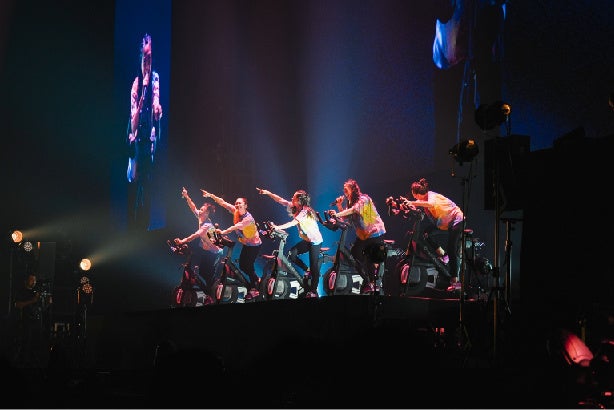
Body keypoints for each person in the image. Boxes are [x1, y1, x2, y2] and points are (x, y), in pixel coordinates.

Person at [257, 188, 324, 298]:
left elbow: (293, 223)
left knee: (314, 266)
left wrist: (277, 227)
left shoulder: (305, 211)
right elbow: (280, 200)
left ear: (299, 201)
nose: (292, 198)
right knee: (292, 254)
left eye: (294, 197)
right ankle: (307, 270)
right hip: (307, 240)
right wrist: (268, 193)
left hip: (315, 241)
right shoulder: (294, 207)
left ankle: (313, 291)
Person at [126, 33, 163, 230]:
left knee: (147, 181)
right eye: (145, 58)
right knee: (134, 178)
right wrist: (140, 105)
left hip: (149, 136)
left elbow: (156, 101)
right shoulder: (136, 82)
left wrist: (157, 111)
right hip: (136, 135)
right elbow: (133, 118)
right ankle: (132, 222)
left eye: (150, 57)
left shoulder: (155, 78)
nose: (147, 62)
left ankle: (145, 223)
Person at [403, 178, 464, 292]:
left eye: (414, 195)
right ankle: (443, 255)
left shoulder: (431, 196)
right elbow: (416, 207)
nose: (414, 198)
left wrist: (412, 202)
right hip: (446, 223)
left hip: (457, 220)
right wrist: (402, 206)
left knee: (452, 249)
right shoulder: (423, 201)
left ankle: (455, 281)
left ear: (416, 193)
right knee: (426, 234)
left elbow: (429, 204)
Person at [201, 189, 262, 300]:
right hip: (246, 244)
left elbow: (236, 226)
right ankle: (255, 280)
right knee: (243, 266)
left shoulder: (248, 218)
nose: (237, 205)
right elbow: (222, 202)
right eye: (236, 203)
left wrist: (223, 232)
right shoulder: (235, 211)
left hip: (254, 245)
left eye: (240, 203)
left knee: (247, 266)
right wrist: (210, 195)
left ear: (245, 205)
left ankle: (254, 288)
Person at [329, 179, 387, 294]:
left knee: (369, 257)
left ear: (353, 189)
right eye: (344, 189)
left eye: (346, 189)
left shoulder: (364, 199)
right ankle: (368, 281)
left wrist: (337, 214)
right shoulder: (350, 203)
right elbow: (346, 217)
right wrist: (339, 206)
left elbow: (354, 210)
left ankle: (372, 282)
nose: (344, 191)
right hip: (363, 235)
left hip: (374, 232)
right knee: (355, 254)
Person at [174, 187, 224, 287]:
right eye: (200, 209)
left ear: (207, 213)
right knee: (202, 272)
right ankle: (211, 288)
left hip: (215, 252)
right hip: (207, 250)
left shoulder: (207, 225)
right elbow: (193, 207)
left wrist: (183, 241)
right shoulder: (201, 217)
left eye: (201, 210)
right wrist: (186, 196)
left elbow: (196, 235)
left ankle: (215, 289)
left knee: (208, 274)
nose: (199, 211)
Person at [13, 273, 47, 367]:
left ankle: (33, 364)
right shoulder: (22, 291)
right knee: (25, 344)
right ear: (26, 281)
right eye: (32, 280)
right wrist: (32, 300)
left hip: (36, 322)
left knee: (35, 344)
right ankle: (23, 364)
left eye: (35, 280)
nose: (34, 282)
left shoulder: (36, 292)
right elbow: (17, 305)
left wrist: (47, 303)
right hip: (25, 322)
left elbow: (41, 308)